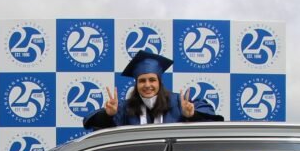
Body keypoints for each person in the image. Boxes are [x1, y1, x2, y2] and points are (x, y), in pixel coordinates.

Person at [83, 51, 221, 129]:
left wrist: (192, 115)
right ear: (136, 84)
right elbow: (94, 127)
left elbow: (212, 122)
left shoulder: (178, 102)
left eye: (152, 80)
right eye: (142, 81)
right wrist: (108, 115)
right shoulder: (126, 108)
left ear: (159, 82)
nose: (147, 85)